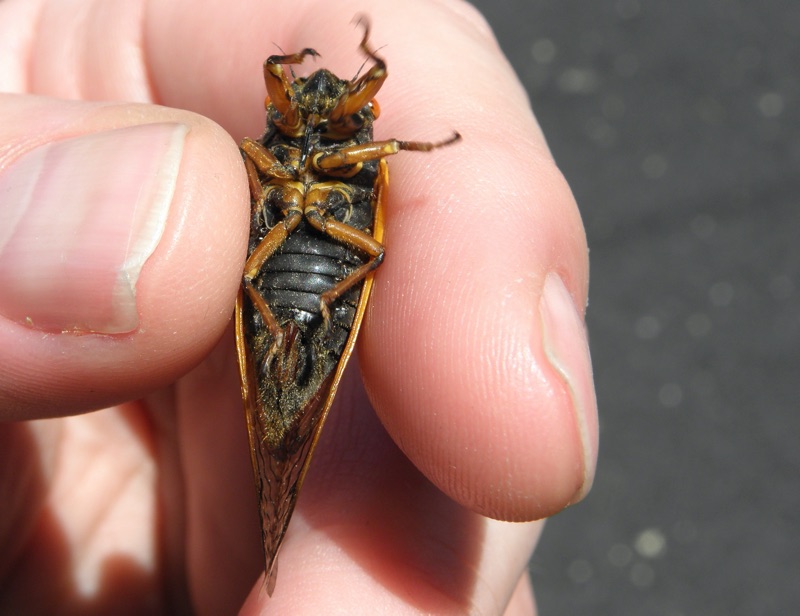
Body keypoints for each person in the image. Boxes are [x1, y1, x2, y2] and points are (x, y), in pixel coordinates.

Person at [0, 1, 598, 613]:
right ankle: (274, 485)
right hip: (276, 271)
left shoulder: (353, 152)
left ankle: (279, 472)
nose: (312, 109)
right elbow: (254, 153)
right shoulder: (276, 143)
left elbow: (374, 187)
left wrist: (392, 135)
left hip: (324, 267)